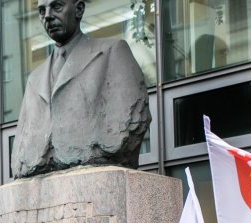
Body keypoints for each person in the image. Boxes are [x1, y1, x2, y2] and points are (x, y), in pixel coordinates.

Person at [12, 0, 150, 178]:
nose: (47, 15)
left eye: (57, 7)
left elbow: (129, 123)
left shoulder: (112, 52)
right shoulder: (34, 79)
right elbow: (21, 153)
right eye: (41, 10)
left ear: (79, 9)